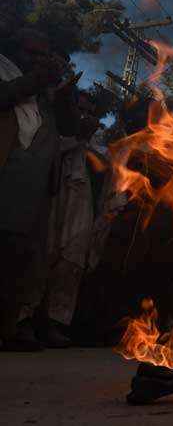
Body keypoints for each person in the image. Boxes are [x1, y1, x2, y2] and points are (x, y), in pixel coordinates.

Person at [0, 28, 80, 351]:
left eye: (43, 55)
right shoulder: (7, 73)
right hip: (7, 178)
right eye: (33, 54)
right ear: (16, 50)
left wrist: (63, 96)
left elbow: (71, 128)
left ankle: (13, 326)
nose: (39, 60)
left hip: (36, 191)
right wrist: (36, 78)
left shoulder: (44, 95)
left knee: (24, 261)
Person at [40, 92, 102, 348]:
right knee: (43, 258)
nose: (85, 116)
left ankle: (55, 323)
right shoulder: (52, 131)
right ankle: (25, 321)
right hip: (52, 198)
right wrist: (78, 138)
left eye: (90, 112)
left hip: (79, 208)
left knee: (71, 262)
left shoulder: (95, 145)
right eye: (81, 110)